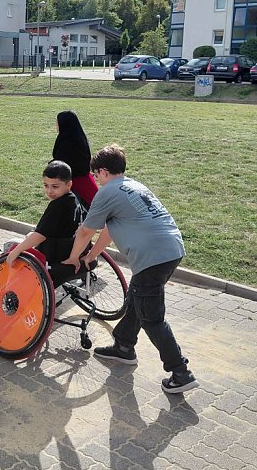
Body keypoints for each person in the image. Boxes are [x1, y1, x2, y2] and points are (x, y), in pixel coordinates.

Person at [64, 144, 197, 395]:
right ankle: (123, 346)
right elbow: (110, 229)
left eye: (95, 175)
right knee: (137, 297)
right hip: (171, 250)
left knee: (152, 318)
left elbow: (85, 231)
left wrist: (74, 258)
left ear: (103, 171)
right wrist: (92, 255)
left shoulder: (107, 192)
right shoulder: (134, 186)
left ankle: (180, 372)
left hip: (153, 257)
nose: (95, 180)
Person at [5, 161, 91, 288]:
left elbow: (40, 235)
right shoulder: (74, 199)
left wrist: (15, 252)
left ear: (69, 184)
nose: (49, 191)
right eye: (46, 185)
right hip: (73, 250)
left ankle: (7, 291)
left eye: (55, 187)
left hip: (53, 257)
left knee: (4, 251)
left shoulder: (57, 206)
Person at [52, 110, 98, 205]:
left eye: (57, 122)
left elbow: (64, 165)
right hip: (86, 180)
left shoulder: (67, 143)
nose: (56, 125)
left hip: (76, 184)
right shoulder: (78, 137)